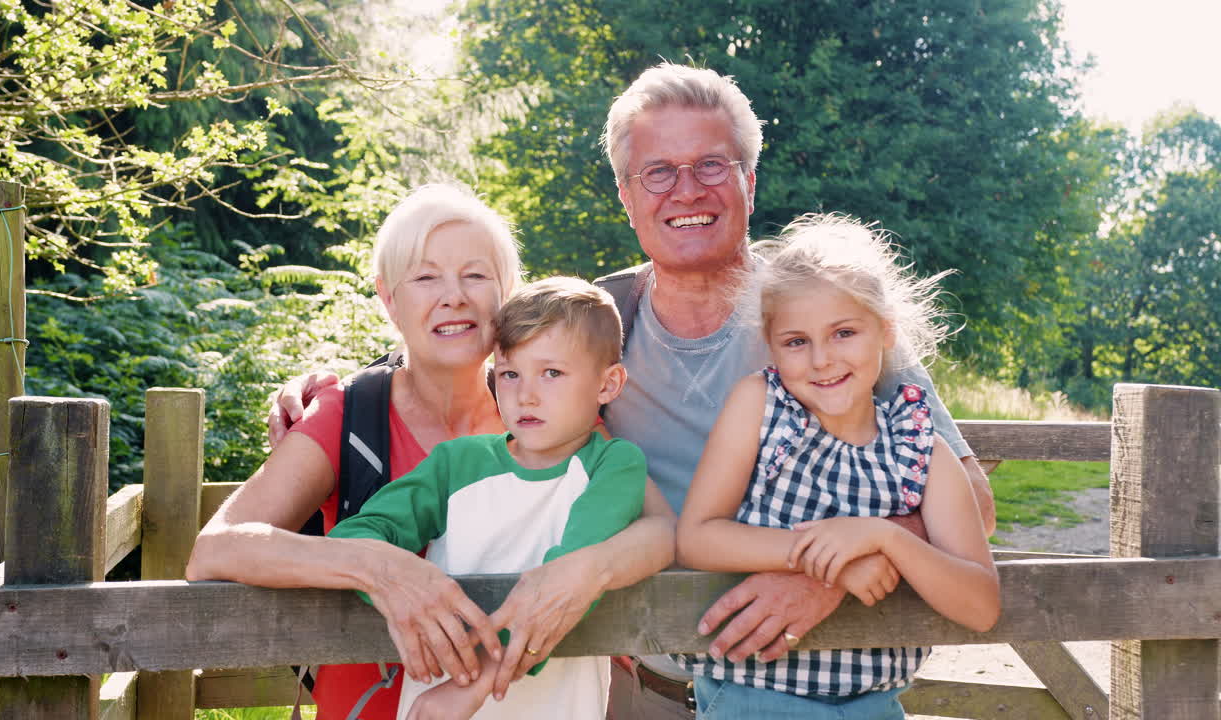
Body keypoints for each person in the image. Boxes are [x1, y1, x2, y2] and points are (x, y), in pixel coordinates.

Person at [271, 62, 996, 716]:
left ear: (750, 178)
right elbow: (471, 355)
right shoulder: (599, 324)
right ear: (626, 193)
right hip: (634, 686)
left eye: (712, 164)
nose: (688, 190)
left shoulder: (822, 310)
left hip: (810, 687)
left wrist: (828, 570)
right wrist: (337, 391)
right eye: (658, 171)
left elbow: (973, 503)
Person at [187, 184, 675, 720]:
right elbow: (215, 550)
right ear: (388, 297)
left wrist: (587, 571)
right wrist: (376, 566)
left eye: (475, 275)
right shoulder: (348, 416)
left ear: (505, 292)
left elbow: (654, 527)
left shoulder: (551, 421)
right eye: (425, 276)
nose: (454, 296)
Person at [676, 214, 1000, 717]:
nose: (822, 360)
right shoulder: (761, 406)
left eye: (844, 332)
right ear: (771, 344)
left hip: (874, 704)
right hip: (752, 698)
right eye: (797, 342)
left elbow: (980, 606)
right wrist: (828, 561)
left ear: (886, 331)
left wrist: (883, 537)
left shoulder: (922, 449)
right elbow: (697, 536)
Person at [330, 276, 652, 720]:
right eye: (510, 374)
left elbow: (566, 571)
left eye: (552, 373)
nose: (526, 394)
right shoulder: (455, 465)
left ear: (608, 384)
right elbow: (357, 536)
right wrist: (399, 582)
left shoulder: (613, 466)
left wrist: (478, 681)